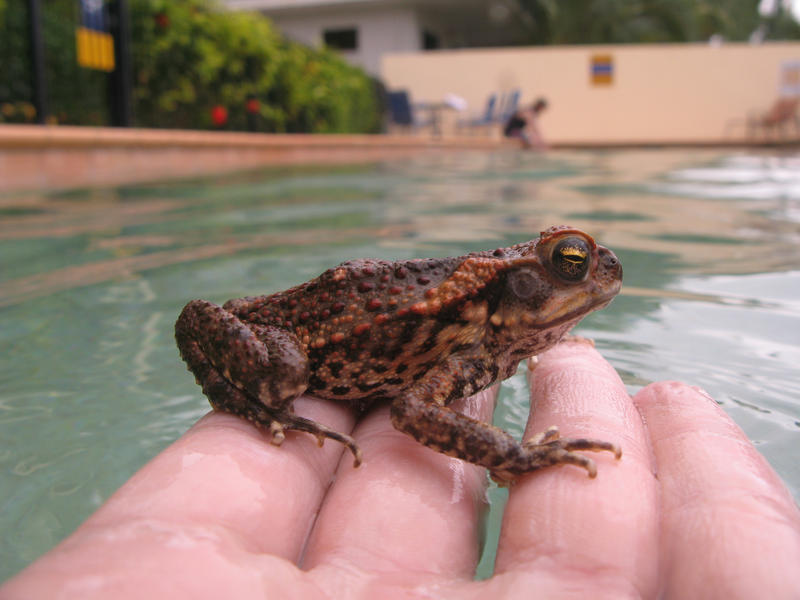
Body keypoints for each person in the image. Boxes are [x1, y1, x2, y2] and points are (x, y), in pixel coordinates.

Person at [2, 338, 799, 598]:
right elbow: (417, 415)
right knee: (279, 371)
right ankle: (263, 405)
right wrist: (517, 458)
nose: (591, 282)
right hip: (300, 339)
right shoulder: (464, 341)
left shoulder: (477, 345)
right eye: (566, 264)